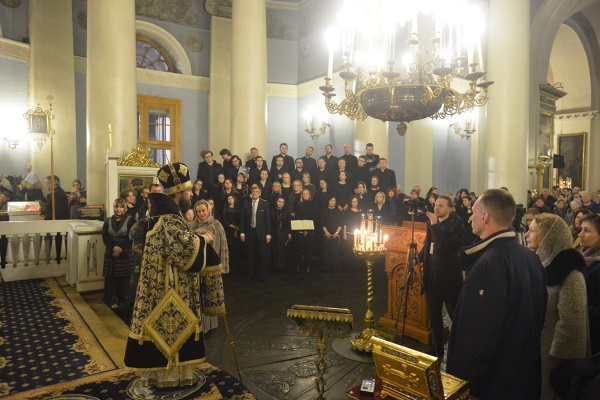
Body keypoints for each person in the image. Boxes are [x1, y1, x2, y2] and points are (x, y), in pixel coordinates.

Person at [124, 162, 221, 389]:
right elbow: (183, 251)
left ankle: (166, 376)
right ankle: (171, 376)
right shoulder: (169, 217)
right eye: (188, 191)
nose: (191, 194)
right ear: (178, 193)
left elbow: (176, 241)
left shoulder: (164, 214)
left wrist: (194, 235)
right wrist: (203, 239)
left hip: (160, 284)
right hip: (170, 288)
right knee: (170, 328)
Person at [447, 189, 547, 400]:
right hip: (522, 371)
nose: (470, 216)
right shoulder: (529, 256)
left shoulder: (491, 262)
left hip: (494, 382)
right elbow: (539, 315)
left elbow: (479, 332)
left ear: (485, 216)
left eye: (474, 212)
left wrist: (466, 384)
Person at [525, 213, 589, 400]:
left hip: (554, 359)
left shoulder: (570, 272)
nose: (527, 234)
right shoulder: (542, 264)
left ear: (548, 237)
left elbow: (572, 325)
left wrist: (558, 362)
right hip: (537, 349)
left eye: (533, 230)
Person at [418, 195, 464, 360]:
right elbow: (428, 245)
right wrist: (417, 258)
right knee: (434, 317)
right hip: (432, 278)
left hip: (449, 278)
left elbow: (444, 247)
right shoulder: (432, 224)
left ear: (450, 209)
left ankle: (460, 349)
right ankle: (437, 349)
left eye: (441, 206)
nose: (436, 209)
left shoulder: (457, 225)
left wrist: (435, 226)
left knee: (455, 316)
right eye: (435, 205)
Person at [189, 199, 228, 332]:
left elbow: (223, 247)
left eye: (203, 210)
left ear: (209, 210)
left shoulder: (216, 225)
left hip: (211, 268)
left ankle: (209, 325)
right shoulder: (191, 225)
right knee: (197, 296)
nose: (201, 214)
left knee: (210, 297)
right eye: (198, 211)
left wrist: (223, 267)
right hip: (196, 268)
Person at [102, 198, 135, 309]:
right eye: (116, 206)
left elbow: (130, 237)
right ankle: (110, 301)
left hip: (124, 255)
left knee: (123, 280)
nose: (119, 209)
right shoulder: (107, 220)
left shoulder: (131, 220)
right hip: (110, 254)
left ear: (124, 208)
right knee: (110, 280)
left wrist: (120, 248)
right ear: (113, 207)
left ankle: (123, 303)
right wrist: (113, 248)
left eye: (121, 207)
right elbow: (105, 237)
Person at [240, 186, 271, 282]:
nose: (255, 193)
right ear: (250, 193)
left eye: (257, 192)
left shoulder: (264, 204)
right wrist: (242, 232)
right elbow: (242, 219)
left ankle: (262, 275)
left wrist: (268, 234)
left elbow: (268, 220)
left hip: (261, 233)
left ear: (260, 193)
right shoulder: (246, 203)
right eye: (253, 192)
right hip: (249, 233)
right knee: (250, 255)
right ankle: (250, 274)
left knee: (261, 256)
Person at [579, 213, 600, 355]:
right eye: (581, 229)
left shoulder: (597, 266)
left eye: (586, 230)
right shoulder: (586, 257)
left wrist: (577, 305)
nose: (580, 234)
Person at [293, 188, 318, 274]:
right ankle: (299, 266)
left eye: (307, 193)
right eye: (303, 194)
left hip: (310, 231)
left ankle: (307, 266)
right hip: (300, 231)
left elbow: (314, 218)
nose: (305, 195)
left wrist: (307, 229)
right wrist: (302, 229)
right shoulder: (298, 205)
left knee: (308, 250)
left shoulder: (313, 205)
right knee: (298, 250)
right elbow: (297, 218)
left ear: (309, 195)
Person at [320, 196, 342, 273]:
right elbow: (322, 223)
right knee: (326, 252)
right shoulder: (323, 211)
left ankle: (335, 269)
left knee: (335, 252)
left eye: (334, 201)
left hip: (336, 235)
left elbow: (341, 224)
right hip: (326, 235)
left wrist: (336, 233)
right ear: (328, 201)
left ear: (335, 202)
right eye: (330, 200)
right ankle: (326, 269)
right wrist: (326, 232)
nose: (332, 202)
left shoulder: (338, 212)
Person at [270, 196, 292, 274]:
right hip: (274, 233)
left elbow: (289, 223)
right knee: (275, 250)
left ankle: (282, 268)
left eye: (282, 202)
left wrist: (289, 233)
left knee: (282, 251)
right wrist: (269, 234)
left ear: (284, 204)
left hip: (284, 233)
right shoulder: (271, 211)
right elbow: (270, 224)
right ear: (276, 202)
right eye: (279, 201)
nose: (280, 203)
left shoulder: (287, 212)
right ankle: (275, 268)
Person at [222, 193, 242, 274]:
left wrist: (237, 229)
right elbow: (224, 221)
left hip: (237, 230)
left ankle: (237, 267)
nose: (230, 200)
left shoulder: (238, 208)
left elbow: (241, 219)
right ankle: (229, 267)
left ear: (234, 199)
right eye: (229, 199)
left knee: (237, 249)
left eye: (232, 198)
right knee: (229, 248)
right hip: (228, 230)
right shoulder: (225, 209)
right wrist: (234, 227)